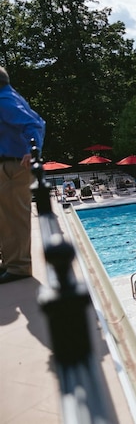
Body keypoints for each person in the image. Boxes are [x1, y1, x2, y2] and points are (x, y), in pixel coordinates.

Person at [0, 66, 45, 284]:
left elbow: (35, 123)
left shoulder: (5, 100)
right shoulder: (8, 97)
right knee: (6, 219)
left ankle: (19, 267)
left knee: (15, 218)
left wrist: (31, 151)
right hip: (8, 166)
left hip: (14, 166)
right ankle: (11, 263)